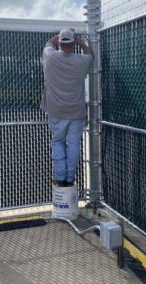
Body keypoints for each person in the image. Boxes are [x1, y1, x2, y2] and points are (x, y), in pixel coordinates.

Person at [41, 29, 93, 187]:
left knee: (57, 142)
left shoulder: (50, 57)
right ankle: (70, 178)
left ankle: (60, 178)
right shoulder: (81, 61)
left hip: (56, 109)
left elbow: (49, 43)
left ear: (60, 43)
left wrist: (59, 36)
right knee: (74, 144)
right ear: (73, 43)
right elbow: (90, 54)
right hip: (76, 110)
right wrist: (80, 42)